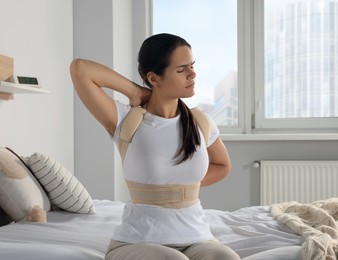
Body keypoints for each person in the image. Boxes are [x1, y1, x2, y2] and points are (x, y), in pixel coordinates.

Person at [70, 33, 240, 260]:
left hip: (197, 238)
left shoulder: (200, 120)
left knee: (228, 258)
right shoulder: (126, 120)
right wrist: (134, 90)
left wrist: (179, 187)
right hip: (138, 241)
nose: (192, 74)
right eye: (181, 70)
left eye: (192, 66)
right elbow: (80, 69)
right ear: (154, 78)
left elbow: (222, 165)